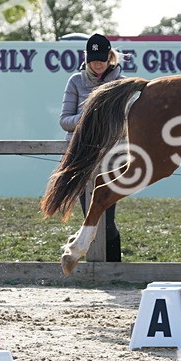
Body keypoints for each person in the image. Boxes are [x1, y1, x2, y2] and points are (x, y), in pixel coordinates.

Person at [60, 33, 124, 262]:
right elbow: (64, 120)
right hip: (81, 156)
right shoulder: (75, 81)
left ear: (109, 57)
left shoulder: (120, 83)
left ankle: (114, 265)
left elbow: (125, 121)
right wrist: (89, 118)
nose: (97, 63)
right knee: (89, 214)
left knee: (106, 219)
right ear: (87, 58)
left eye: (101, 59)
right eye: (93, 58)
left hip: (110, 156)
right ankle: (93, 265)